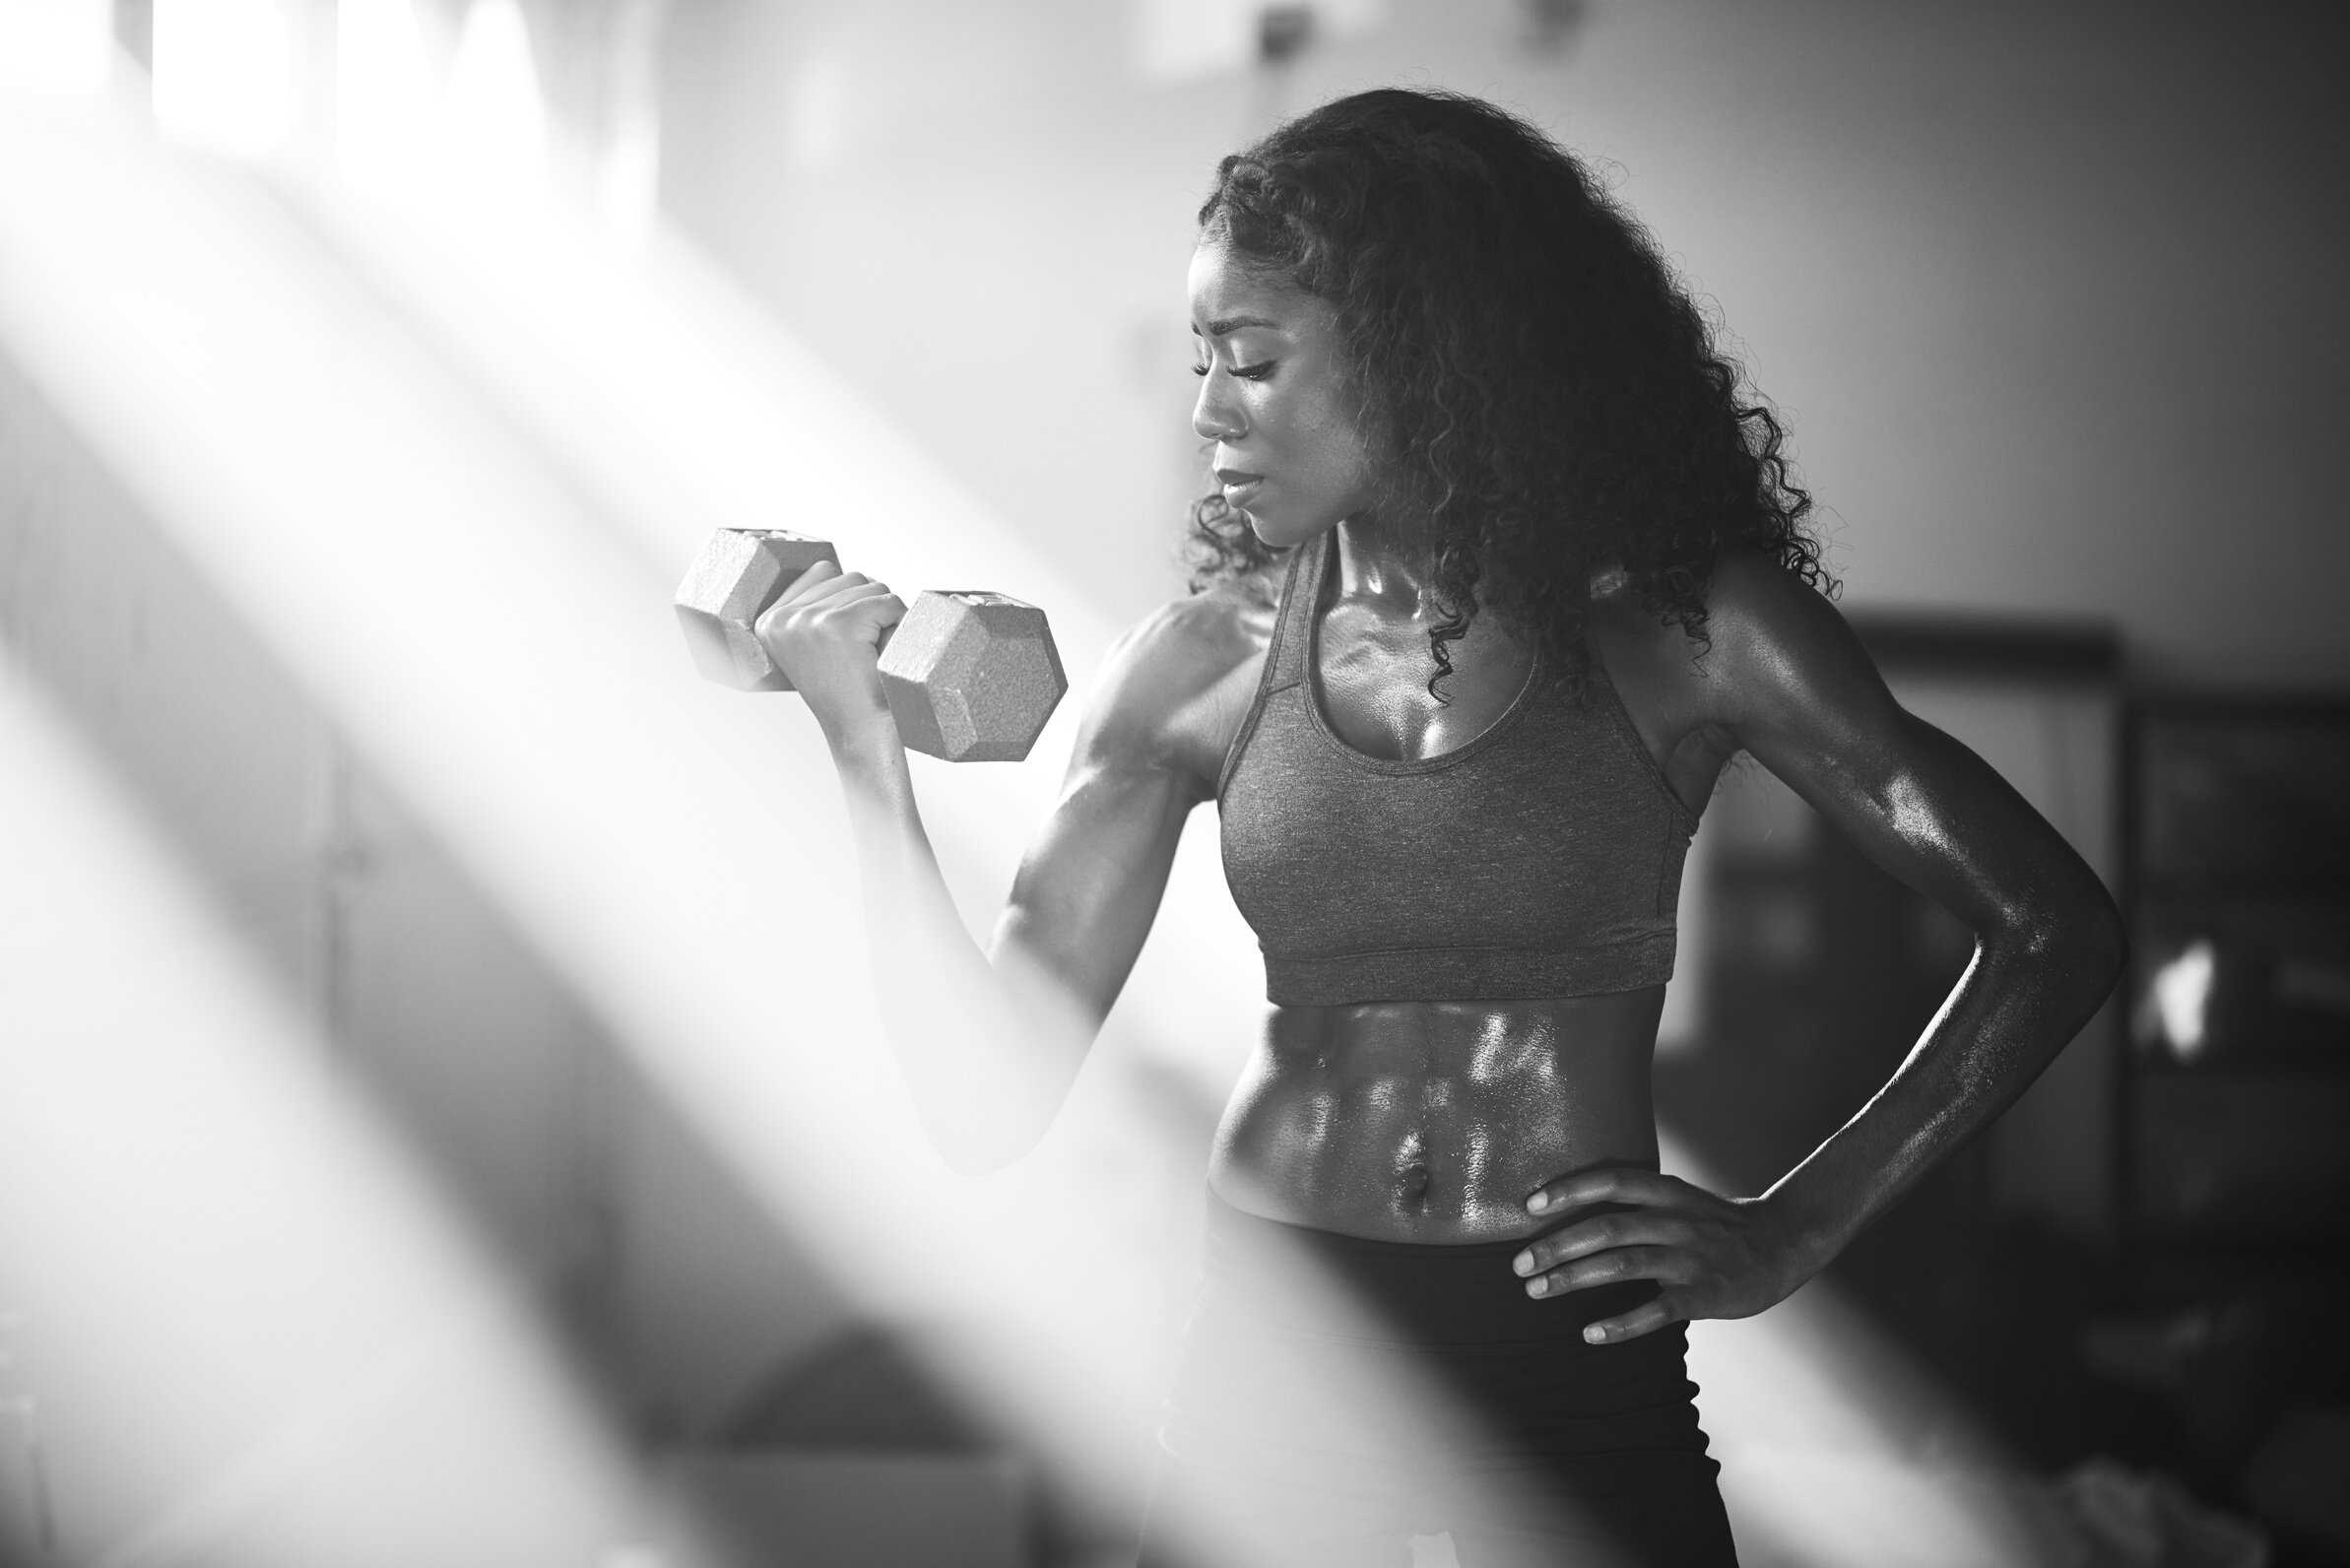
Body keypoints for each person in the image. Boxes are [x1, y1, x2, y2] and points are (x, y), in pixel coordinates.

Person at [758, 88, 2125, 1568]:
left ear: (1426, 362)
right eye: (1205, 360)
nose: (1208, 408)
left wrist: (1793, 1227)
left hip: (1567, 1336)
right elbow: (982, 1104)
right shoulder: (1195, 666)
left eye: (1255, 360)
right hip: (1282, 1336)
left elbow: (2053, 932)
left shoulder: (1691, 634)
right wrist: (858, 754)